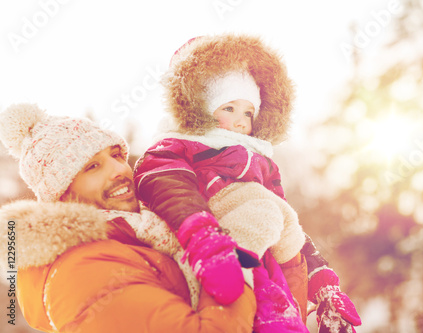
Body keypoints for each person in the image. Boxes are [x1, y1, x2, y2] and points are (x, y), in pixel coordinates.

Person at [133, 34, 361, 332]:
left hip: (267, 258)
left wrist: (321, 278)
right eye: (228, 108)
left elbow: (287, 224)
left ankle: (322, 301)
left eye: (248, 112)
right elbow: (168, 187)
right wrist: (207, 243)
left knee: (278, 220)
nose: (240, 121)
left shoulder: (259, 159)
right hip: (214, 251)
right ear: (198, 107)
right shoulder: (179, 146)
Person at [0, 103, 257, 333]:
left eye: (115, 155)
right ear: (63, 196)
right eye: (92, 167)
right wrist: (236, 262)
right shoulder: (82, 272)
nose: (118, 170)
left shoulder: (144, 233)